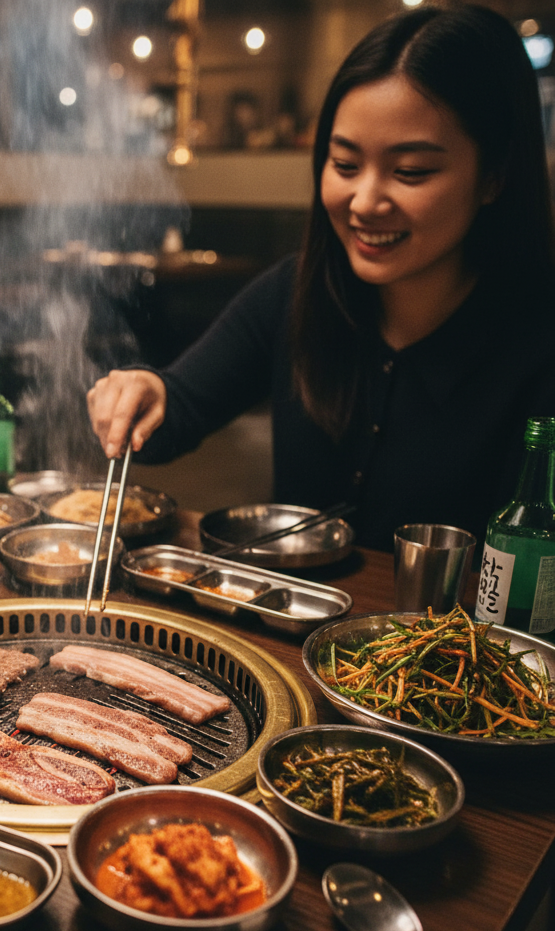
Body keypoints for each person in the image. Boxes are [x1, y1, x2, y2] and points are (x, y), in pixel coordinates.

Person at [88, 4, 555, 551]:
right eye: (345, 164)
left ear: (493, 177)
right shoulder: (297, 291)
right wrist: (145, 390)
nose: (365, 201)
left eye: (410, 172)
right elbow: (180, 408)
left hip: (453, 638)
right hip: (281, 623)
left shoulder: (537, 347)